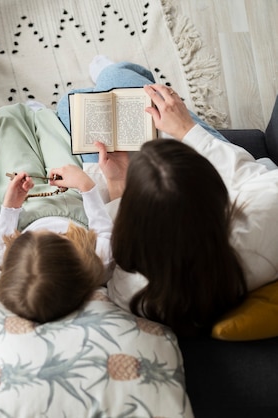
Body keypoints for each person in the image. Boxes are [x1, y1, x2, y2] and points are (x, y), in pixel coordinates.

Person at [66, 57, 278, 337]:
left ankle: (112, 74)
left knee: (76, 104)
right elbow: (248, 175)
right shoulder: (265, 212)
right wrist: (186, 129)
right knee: (122, 95)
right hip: (243, 175)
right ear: (217, 190)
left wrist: (117, 181)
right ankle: (115, 75)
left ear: (133, 218)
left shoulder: (130, 289)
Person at [0, 100, 116, 323]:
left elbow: (1, 244)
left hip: (25, 210)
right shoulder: (100, 261)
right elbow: (104, 229)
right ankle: (41, 114)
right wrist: (86, 186)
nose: (52, 231)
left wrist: (10, 207)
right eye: (60, 237)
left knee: (7, 125)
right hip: (74, 206)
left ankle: (18, 116)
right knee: (56, 143)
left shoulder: (5, 266)